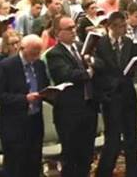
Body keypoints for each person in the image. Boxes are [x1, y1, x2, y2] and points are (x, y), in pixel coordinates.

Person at [45, 16, 98, 177]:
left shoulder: (82, 47)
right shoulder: (54, 53)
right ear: (57, 33)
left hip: (88, 107)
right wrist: (89, 72)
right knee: (71, 155)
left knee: (87, 155)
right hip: (69, 112)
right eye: (68, 28)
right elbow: (66, 74)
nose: (73, 31)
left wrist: (93, 65)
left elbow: (97, 64)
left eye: (74, 27)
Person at [0, 34, 50, 177]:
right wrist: (24, 99)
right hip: (14, 126)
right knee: (16, 168)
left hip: (34, 122)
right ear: (22, 49)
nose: (36, 55)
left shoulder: (39, 64)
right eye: (33, 52)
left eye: (38, 52)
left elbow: (44, 85)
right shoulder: (7, 66)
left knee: (34, 165)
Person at [93, 12, 137, 177]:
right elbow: (99, 72)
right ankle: (104, 172)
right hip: (110, 96)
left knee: (131, 138)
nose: (123, 29)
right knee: (112, 139)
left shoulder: (129, 43)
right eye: (120, 26)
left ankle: (133, 172)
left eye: (125, 26)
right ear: (111, 26)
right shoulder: (100, 44)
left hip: (127, 94)